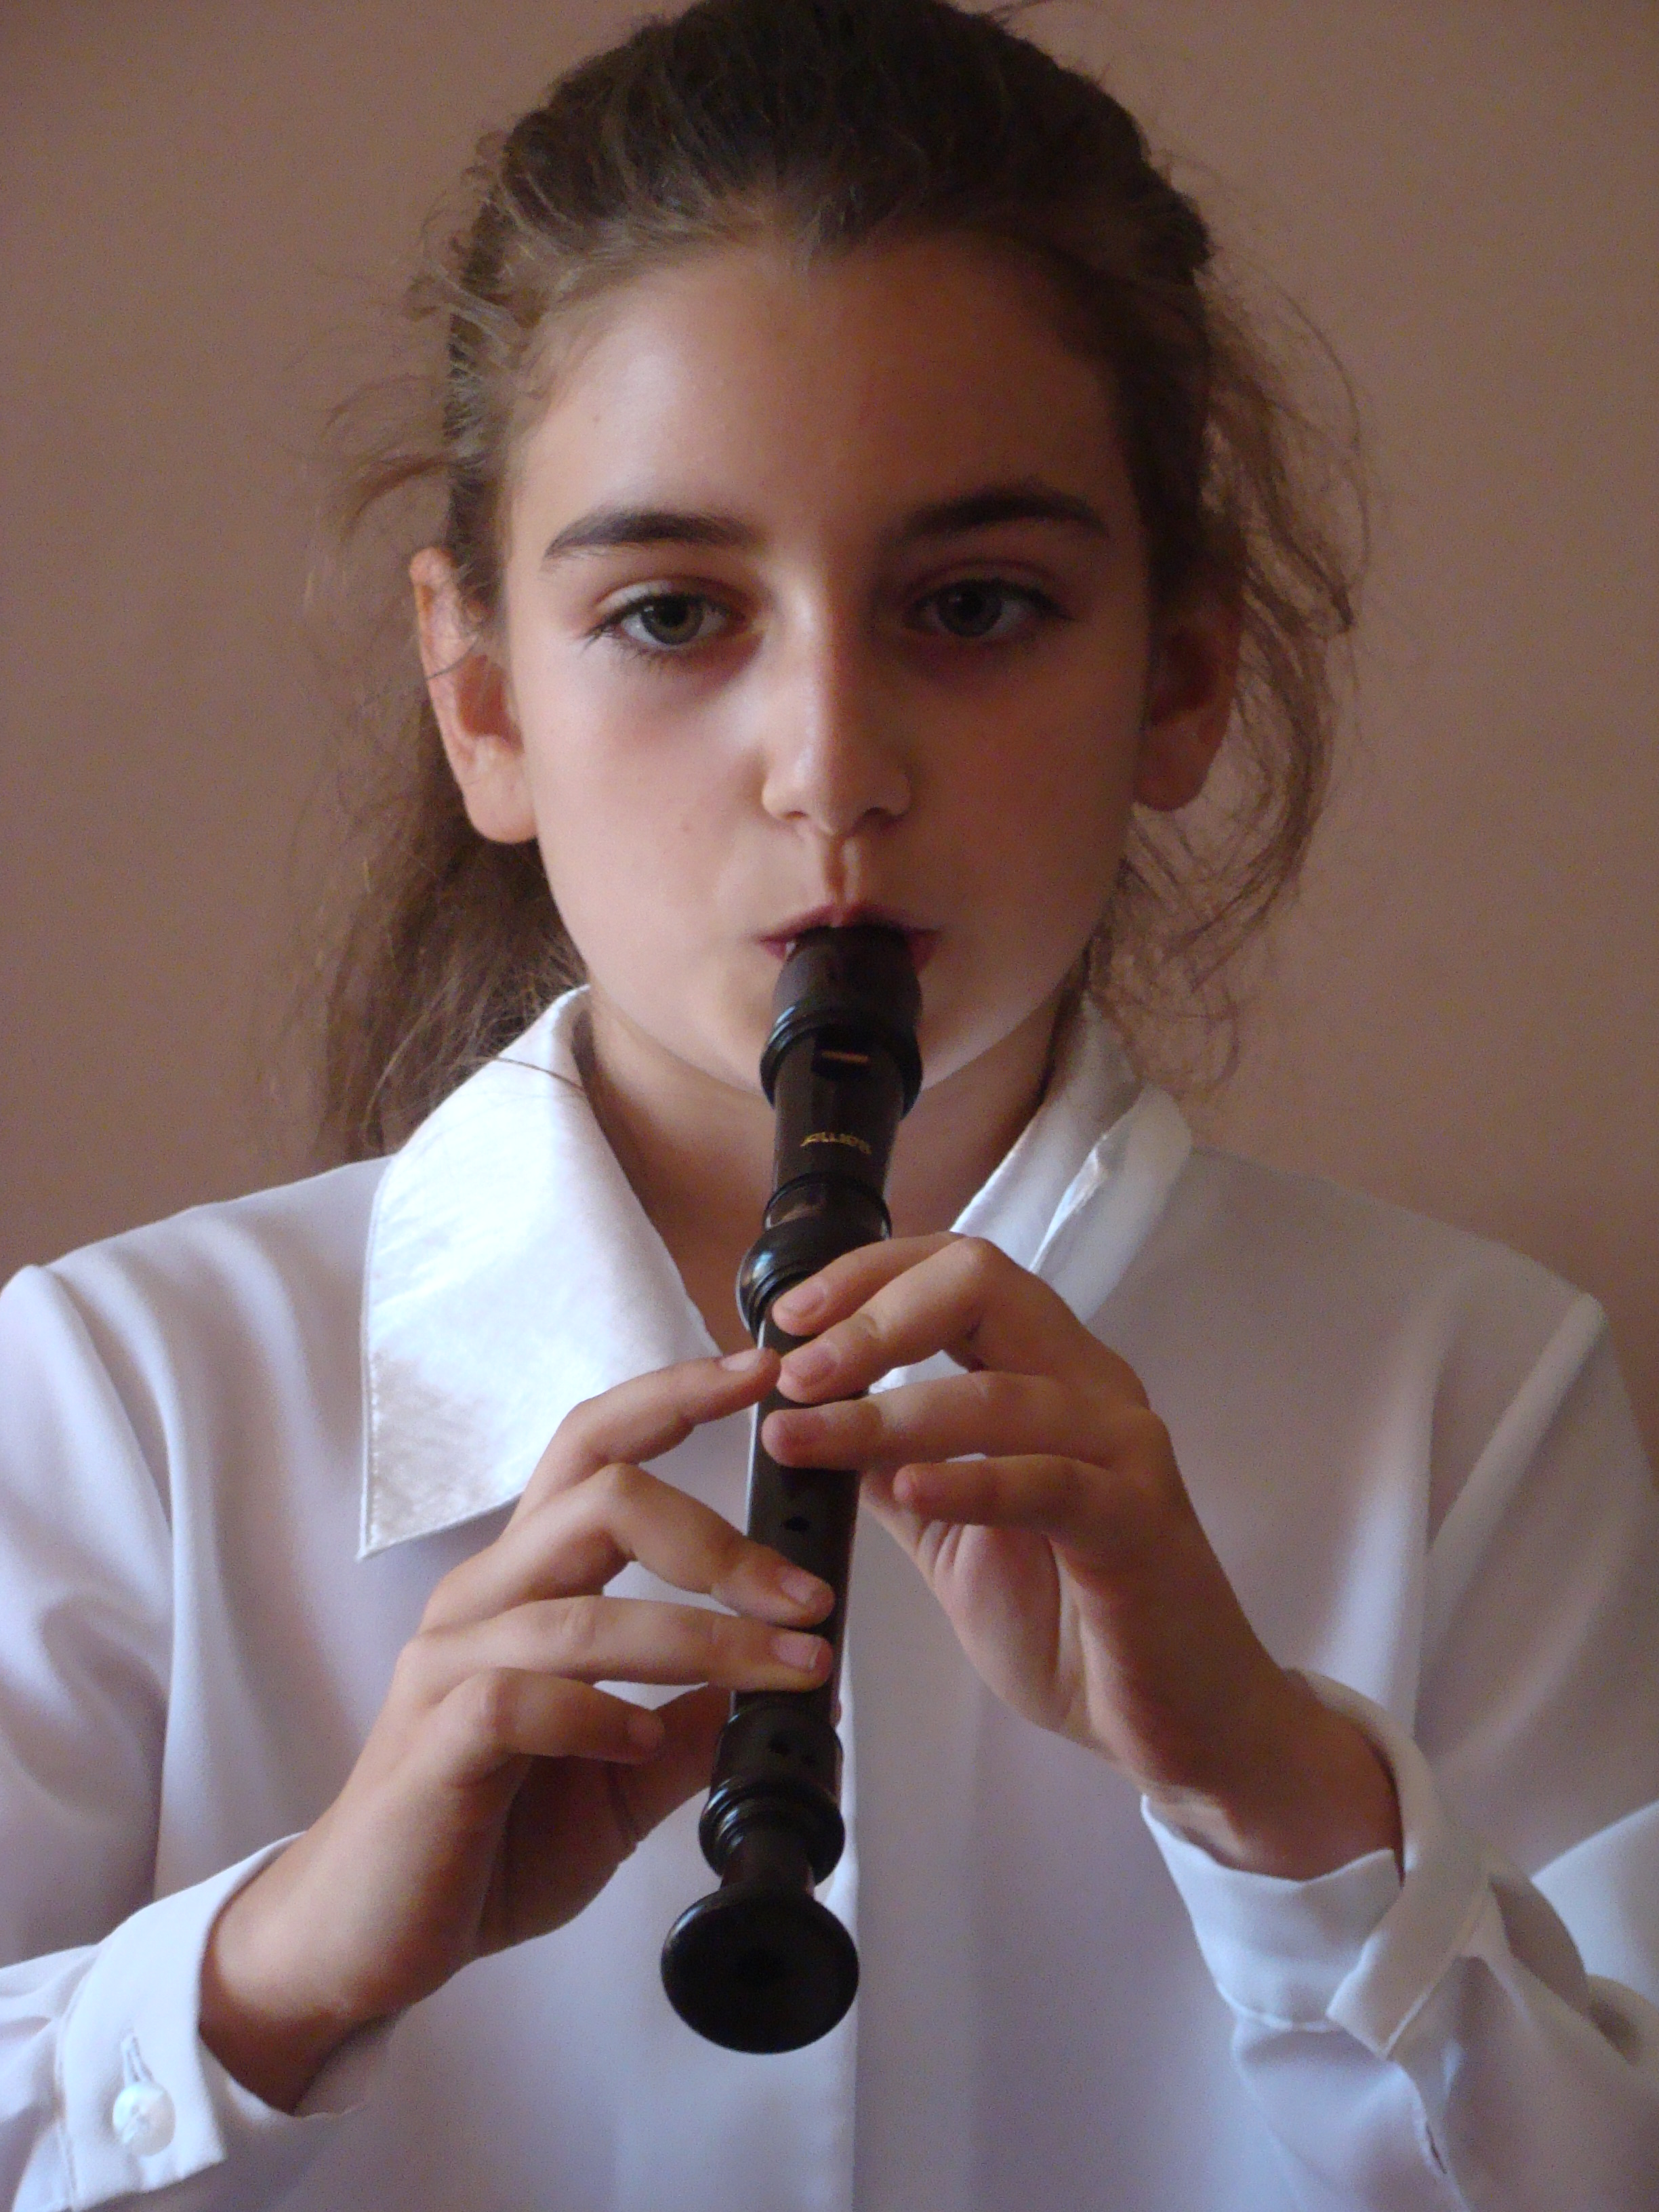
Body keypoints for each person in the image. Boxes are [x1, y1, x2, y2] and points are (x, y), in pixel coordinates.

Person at [2, 1, 1656, 2205]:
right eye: (673, 614)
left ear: (1178, 674)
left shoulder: (1475, 1397)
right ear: (481, 698)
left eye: (974, 604)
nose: (833, 768)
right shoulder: (116, 1396)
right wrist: (272, 1968)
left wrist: (1286, 1799)